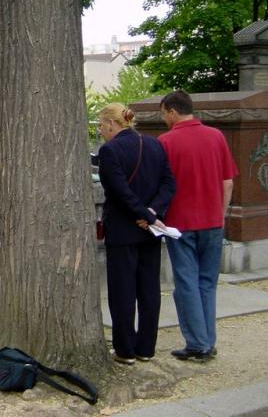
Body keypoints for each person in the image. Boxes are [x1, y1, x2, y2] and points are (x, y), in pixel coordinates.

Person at [159, 90, 238, 362]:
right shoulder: (216, 136)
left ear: (171, 111)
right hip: (213, 220)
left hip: (180, 223)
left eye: (164, 114)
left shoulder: (166, 142)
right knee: (207, 283)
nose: (164, 119)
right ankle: (208, 340)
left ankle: (197, 343)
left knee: (187, 283)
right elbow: (228, 182)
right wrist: (221, 213)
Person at [97, 103, 176, 365]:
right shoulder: (154, 145)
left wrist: (145, 214)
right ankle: (146, 347)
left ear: (111, 123)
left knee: (122, 290)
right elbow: (168, 183)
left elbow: (119, 191)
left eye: (100, 126)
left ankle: (125, 349)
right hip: (150, 230)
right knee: (149, 289)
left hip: (123, 226)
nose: (100, 132)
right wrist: (153, 212)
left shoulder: (110, 150)